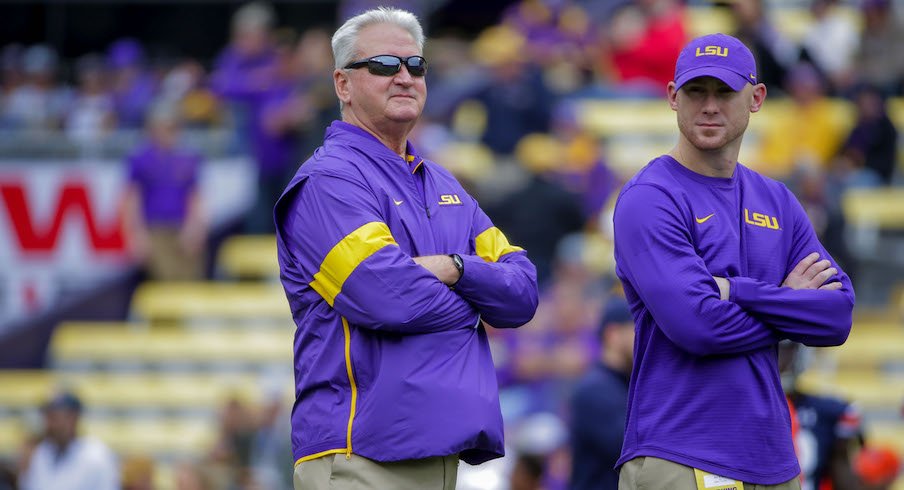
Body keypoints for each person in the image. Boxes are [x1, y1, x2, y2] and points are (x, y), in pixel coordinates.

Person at [273, 7, 539, 490]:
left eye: (415, 66)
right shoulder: (328, 181)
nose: (403, 76)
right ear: (342, 84)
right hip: (359, 455)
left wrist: (455, 268)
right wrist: (474, 306)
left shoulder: (443, 184)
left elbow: (522, 294)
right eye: (382, 65)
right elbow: (387, 298)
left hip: (440, 454)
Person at [612, 33, 855, 489]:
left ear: (756, 98)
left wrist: (737, 291)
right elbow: (698, 326)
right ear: (672, 97)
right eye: (695, 92)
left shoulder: (777, 199)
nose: (709, 106)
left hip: (773, 458)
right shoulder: (650, 198)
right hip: (681, 453)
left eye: (724, 92)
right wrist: (787, 304)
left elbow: (837, 317)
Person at [123, 103, 207, 281]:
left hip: (183, 228)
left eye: (171, 127)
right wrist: (137, 235)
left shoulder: (189, 157)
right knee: (164, 281)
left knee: (192, 280)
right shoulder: (141, 159)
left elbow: (195, 196)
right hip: (156, 230)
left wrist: (195, 227)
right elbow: (132, 199)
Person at [569, 296, 634, 490]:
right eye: (637, 328)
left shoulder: (626, 383)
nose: (646, 337)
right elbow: (629, 451)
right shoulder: (595, 389)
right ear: (613, 334)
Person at [779, 341, 862, 490]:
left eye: (785, 349)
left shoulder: (829, 411)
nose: (778, 357)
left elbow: (842, 469)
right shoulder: (739, 405)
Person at [19, 391, 119, 490]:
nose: (49, 425)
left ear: (73, 418)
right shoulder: (39, 453)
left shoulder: (98, 456)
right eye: (47, 417)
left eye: (54, 417)